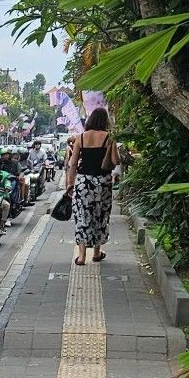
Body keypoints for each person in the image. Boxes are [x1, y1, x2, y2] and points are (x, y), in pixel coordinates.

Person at [65, 106, 118, 264]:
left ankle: (81, 256)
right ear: (105, 121)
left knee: (82, 216)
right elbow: (115, 162)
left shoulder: (80, 137)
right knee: (100, 216)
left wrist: (70, 183)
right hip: (102, 182)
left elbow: (73, 164)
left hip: (83, 182)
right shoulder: (109, 137)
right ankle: (96, 252)